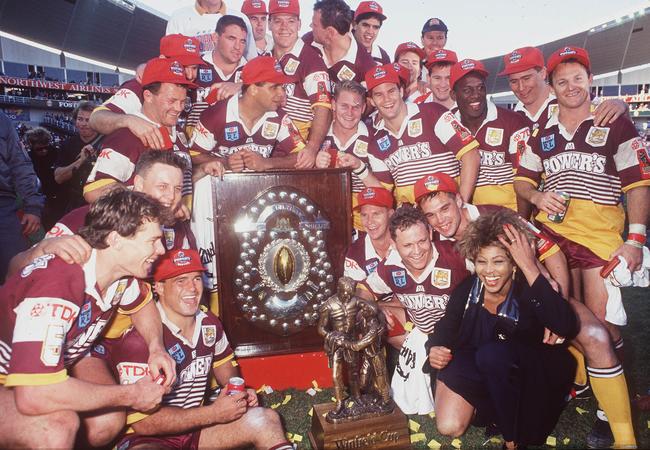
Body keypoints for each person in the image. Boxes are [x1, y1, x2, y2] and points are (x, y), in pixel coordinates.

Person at [416, 172, 635, 450]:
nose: (440, 220)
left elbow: (551, 252)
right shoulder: (432, 242)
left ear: (459, 199)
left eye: (444, 208)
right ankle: (549, 385)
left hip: (533, 297)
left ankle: (621, 432)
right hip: (484, 324)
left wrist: (556, 299)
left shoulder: (497, 216)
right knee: (476, 377)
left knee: (593, 334)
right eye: (431, 215)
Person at [514, 46, 646, 449]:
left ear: (590, 80)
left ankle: (612, 414)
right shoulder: (543, 130)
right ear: (550, 85)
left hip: (600, 236)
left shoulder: (613, 121)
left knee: (605, 325)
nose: (570, 86)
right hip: (553, 236)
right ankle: (583, 380)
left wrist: (636, 238)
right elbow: (522, 181)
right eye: (561, 80)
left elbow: (637, 184)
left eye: (577, 78)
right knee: (561, 315)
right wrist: (536, 198)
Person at [0, 189, 176, 449]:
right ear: (116, 239)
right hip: (15, 375)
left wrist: (155, 347)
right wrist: (132, 394)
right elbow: (34, 394)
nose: (162, 249)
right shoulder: (60, 280)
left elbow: (142, 304)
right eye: (153, 240)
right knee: (55, 428)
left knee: (108, 419)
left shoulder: (119, 273)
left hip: (49, 365)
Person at [96, 248, 293, 450]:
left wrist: (240, 392)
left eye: (197, 279)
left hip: (196, 430)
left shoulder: (209, 323)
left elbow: (227, 371)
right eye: (180, 281)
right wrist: (214, 413)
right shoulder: (139, 340)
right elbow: (143, 424)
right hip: (147, 440)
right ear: (159, 288)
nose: (192, 288)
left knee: (265, 419)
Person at [427, 209, 578, 449]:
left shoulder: (529, 289)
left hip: (531, 379)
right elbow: (446, 326)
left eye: (498, 261)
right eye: (481, 261)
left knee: (492, 355)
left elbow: (566, 325)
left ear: (514, 264)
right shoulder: (468, 290)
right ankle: (496, 413)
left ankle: (512, 439)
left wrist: (530, 267)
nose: (489, 271)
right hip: (489, 373)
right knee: (454, 390)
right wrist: (434, 347)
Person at [190, 55, 306, 313]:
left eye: (283, 87)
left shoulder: (278, 118)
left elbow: (303, 156)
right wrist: (224, 160)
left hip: (256, 204)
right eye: (274, 87)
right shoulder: (216, 115)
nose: (281, 93)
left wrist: (267, 164)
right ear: (253, 88)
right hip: (217, 204)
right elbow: (192, 155)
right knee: (202, 188)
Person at [9, 151, 193, 279]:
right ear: (138, 184)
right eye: (162, 187)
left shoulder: (174, 226)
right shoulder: (94, 217)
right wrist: (43, 248)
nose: (171, 197)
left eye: (177, 189)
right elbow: (16, 269)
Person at [362, 206, 469, 414]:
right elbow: (362, 292)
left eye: (422, 241)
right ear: (393, 244)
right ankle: (372, 386)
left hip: (458, 341)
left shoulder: (455, 255)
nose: (417, 251)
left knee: (450, 425)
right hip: (422, 333)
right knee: (367, 315)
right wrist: (372, 307)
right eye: (408, 245)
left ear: (430, 233)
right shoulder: (390, 266)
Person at [364, 64, 480, 204]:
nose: (387, 99)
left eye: (391, 91)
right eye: (378, 94)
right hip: (411, 219)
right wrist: (359, 168)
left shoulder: (433, 113)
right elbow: (383, 193)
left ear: (401, 91)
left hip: (446, 211)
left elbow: (471, 154)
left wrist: (462, 203)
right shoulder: (375, 144)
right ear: (371, 101)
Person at [84, 58, 196, 204]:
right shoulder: (128, 135)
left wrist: (204, 169)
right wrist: (153, 201)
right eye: (171, 101)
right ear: (148, 96)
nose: (179, 108)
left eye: (183, 102)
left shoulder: (177, 130)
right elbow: (93, 191)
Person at [89, 34, 203, 150]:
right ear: (163, 59)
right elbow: (95, 118)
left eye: (194, 68)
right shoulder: (142, 87)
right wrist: (129, 120)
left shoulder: (190, 87)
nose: (189, 75)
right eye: (182, 66)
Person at [449, 59, 530, 212]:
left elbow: (524, 180)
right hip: (465, 215)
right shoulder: (448, 124)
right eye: (467, 90)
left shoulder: (513, 121)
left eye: (481, 88)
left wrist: (522, 223)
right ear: (453, 94)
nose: (476, 95)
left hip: (506, 214)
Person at [500, 46, 628, 135]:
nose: (521, 87)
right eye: (514, 81)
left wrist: (622, 106)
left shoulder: (570, 97)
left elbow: (621, 126)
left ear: (543, 73)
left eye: (527, 78)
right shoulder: (514, 115)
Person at [269, 0, 332, 169]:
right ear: (269, 24)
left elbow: (323, 108)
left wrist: (311, 149)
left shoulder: (311, 60)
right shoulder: (264, 57)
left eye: (290, 21)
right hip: (266, 149)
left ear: (299, 24)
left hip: (296, 155)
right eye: (277, 21)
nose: (284, 27)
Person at [314, 81, 383, 229]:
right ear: (333, 104)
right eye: (344, 106)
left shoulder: (375, 138)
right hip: (326, 221)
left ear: (363, 108)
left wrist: (360, 167)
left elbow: (384, 193)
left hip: (365, 225)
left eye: (356, 107)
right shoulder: (317, 137)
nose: (349, 113)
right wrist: (314, 167)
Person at [0, 110, 43, 283]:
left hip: (3, 207)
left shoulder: (2, 119)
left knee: (18, 274)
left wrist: (33, 206)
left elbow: (20, 163)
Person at [189, 15, 249, 128]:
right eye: (231, 38)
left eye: (242, 41)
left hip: (234, 142)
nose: (237, 47)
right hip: (194, 142)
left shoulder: (253, 73)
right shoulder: (195, 65)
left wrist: (243, 87)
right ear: (215, 38)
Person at [309, 0, 376, 86]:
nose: (310, 26)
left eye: (315, 25)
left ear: (330, 32)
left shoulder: (367, 69)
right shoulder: (308, 41)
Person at [166, 0, 257, 60]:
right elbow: (170, 63)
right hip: (191, 85)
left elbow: (252, 61)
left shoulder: (240, 18)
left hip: (229, 85)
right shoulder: (179, 17)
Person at [54, 101, 102, 213]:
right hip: (75, 201)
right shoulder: (68, 144)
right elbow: (58, 178)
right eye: (80, 119)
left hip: (100, 201)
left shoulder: (107, 141)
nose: (83, 124)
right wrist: (80, 161)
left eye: (88, 120)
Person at [344, 186, 394, 284]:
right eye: (364, 215)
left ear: (390, 214)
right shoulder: (355, 253)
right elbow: (356, 296)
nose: (370, 221)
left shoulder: (407, 242)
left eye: (376, 214)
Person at [25, 127, 64, 229]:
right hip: (40, 196)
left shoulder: (56, 152)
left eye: (46, 147)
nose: (44, 151)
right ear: (31, 145)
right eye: (39, 149)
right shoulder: (28, 158)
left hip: (59, 194)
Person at [352, 1, 390, 65]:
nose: (370, 31)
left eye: (375, 27)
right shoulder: (340, 45)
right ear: (355, 25)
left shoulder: (383, 57)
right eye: (365, 25)